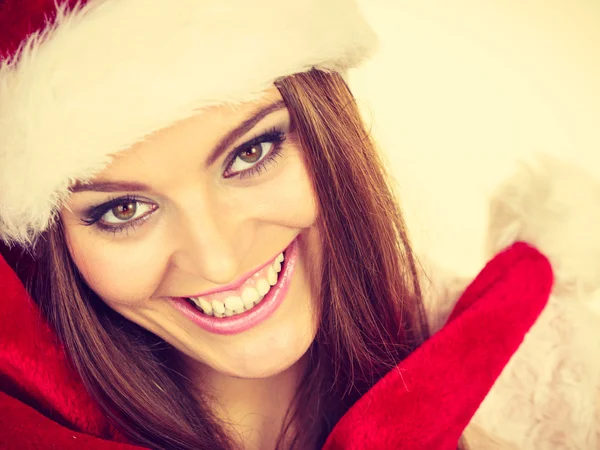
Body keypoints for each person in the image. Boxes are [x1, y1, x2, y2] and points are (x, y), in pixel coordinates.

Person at [0, 1, 596, 449]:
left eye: (251, 153)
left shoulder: (549, 389)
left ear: (329, 131)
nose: (219, 259)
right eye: (123, 209)